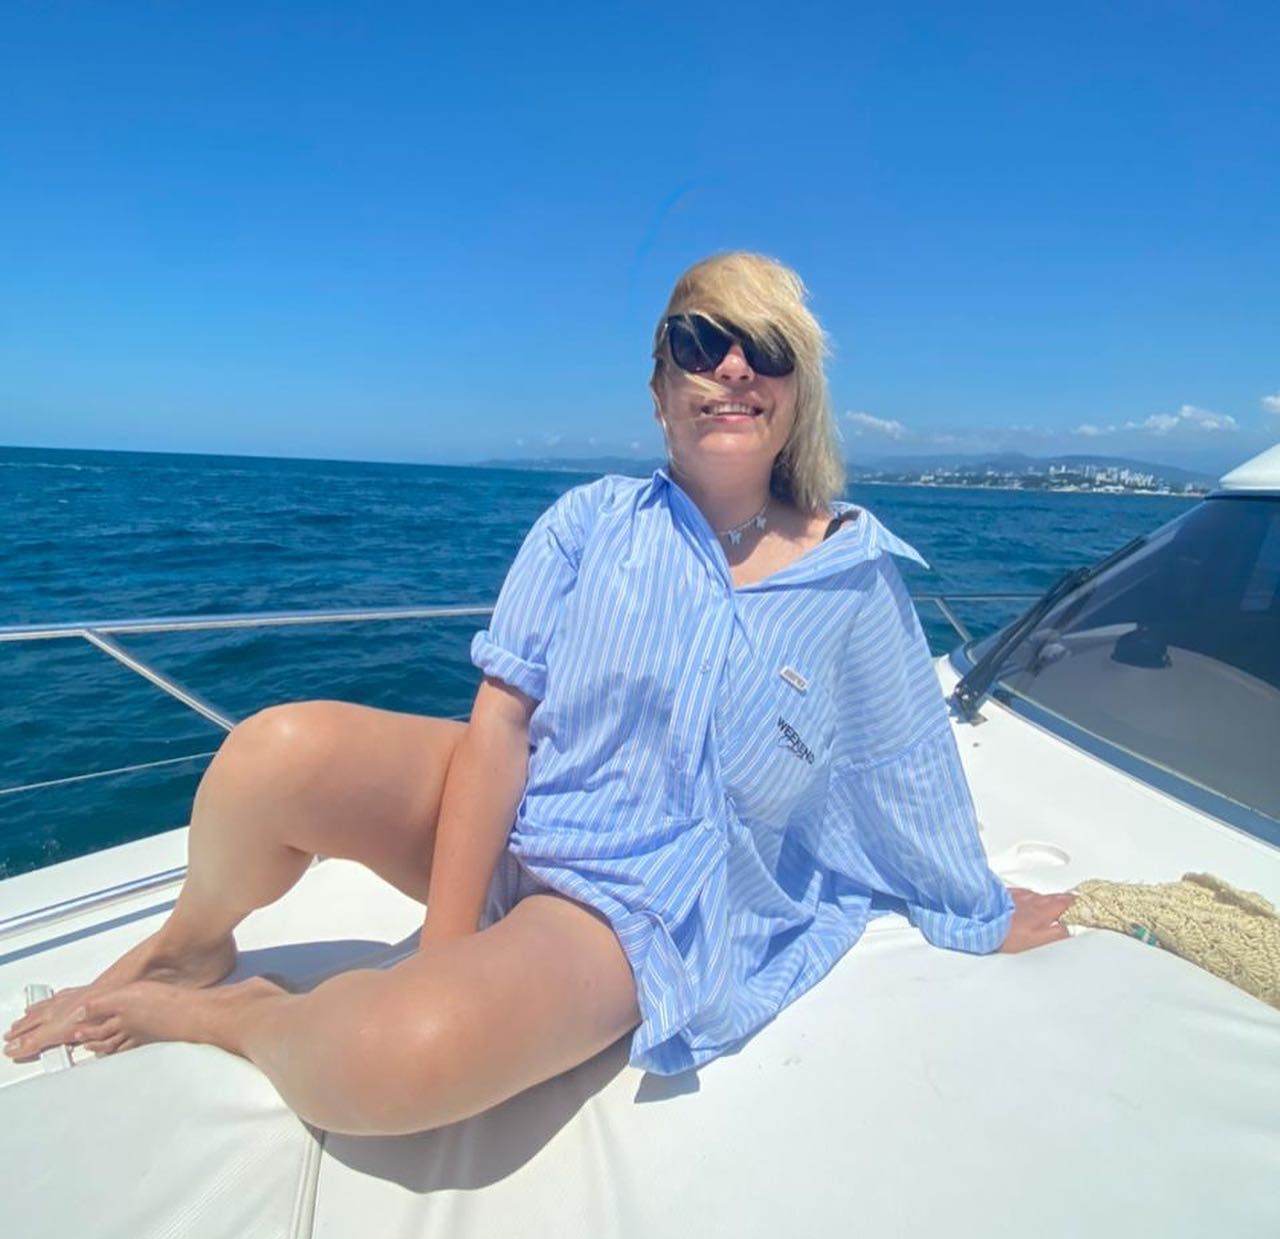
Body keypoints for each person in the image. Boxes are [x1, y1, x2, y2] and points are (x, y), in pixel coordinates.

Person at [4, 252, 1072, 1132]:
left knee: (390, 1060)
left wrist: (973, 905)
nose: (733, 367)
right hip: (523, 812)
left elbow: (901, 758)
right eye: (699, 341)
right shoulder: (587, 525)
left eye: (768, 349)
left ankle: (226, 1013)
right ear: (659, 389)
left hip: (625, 900)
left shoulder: (849, 575)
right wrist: (447, 945)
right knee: (272, 753)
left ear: (798, 393)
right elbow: (501, 727)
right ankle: (193, 943)